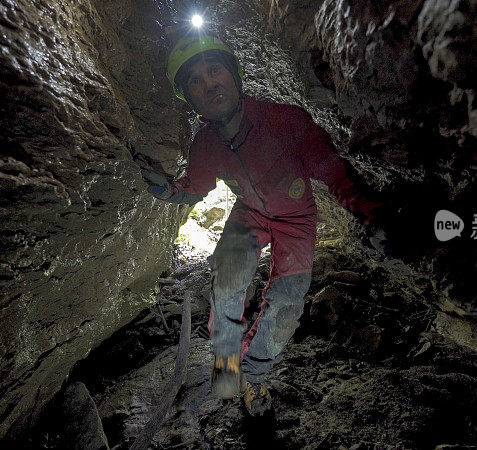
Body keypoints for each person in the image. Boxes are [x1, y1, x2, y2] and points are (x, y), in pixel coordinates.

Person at [136, 33, 388, 416]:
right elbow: (194, 188)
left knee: (286, 305)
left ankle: (253, 377)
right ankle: (226, 371)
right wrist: (166, 190)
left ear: (234, 74)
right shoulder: (206, 143)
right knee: (226, 286)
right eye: (196, 82)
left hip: (296, 220)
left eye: (214, 70)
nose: (209, 84)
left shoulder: (284, 120)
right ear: (191, 99)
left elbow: (335, 174)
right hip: (249, 211)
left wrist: (368, 213)